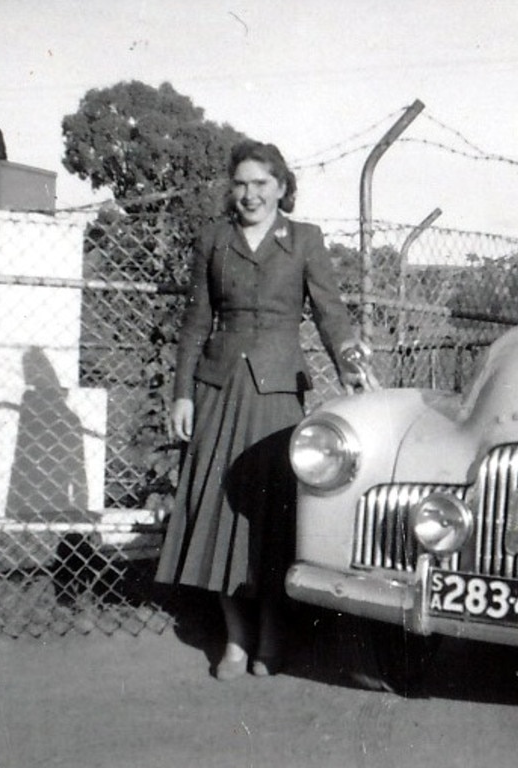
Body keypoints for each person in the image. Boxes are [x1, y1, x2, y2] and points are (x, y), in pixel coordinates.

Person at [155, 139, 376, 680]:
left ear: (282, 187)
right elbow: (193, 326)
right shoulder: (214, 240)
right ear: (231, 188)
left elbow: (330, 313)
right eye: (241, 183)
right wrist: (183, 393)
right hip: (217, 390)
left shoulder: (304, 240)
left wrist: (349, 359)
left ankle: (272, 639)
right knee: (218, 513)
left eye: (261, 183)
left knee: (272, 518)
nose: (250, 194)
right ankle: (235, 641)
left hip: (277, 396)